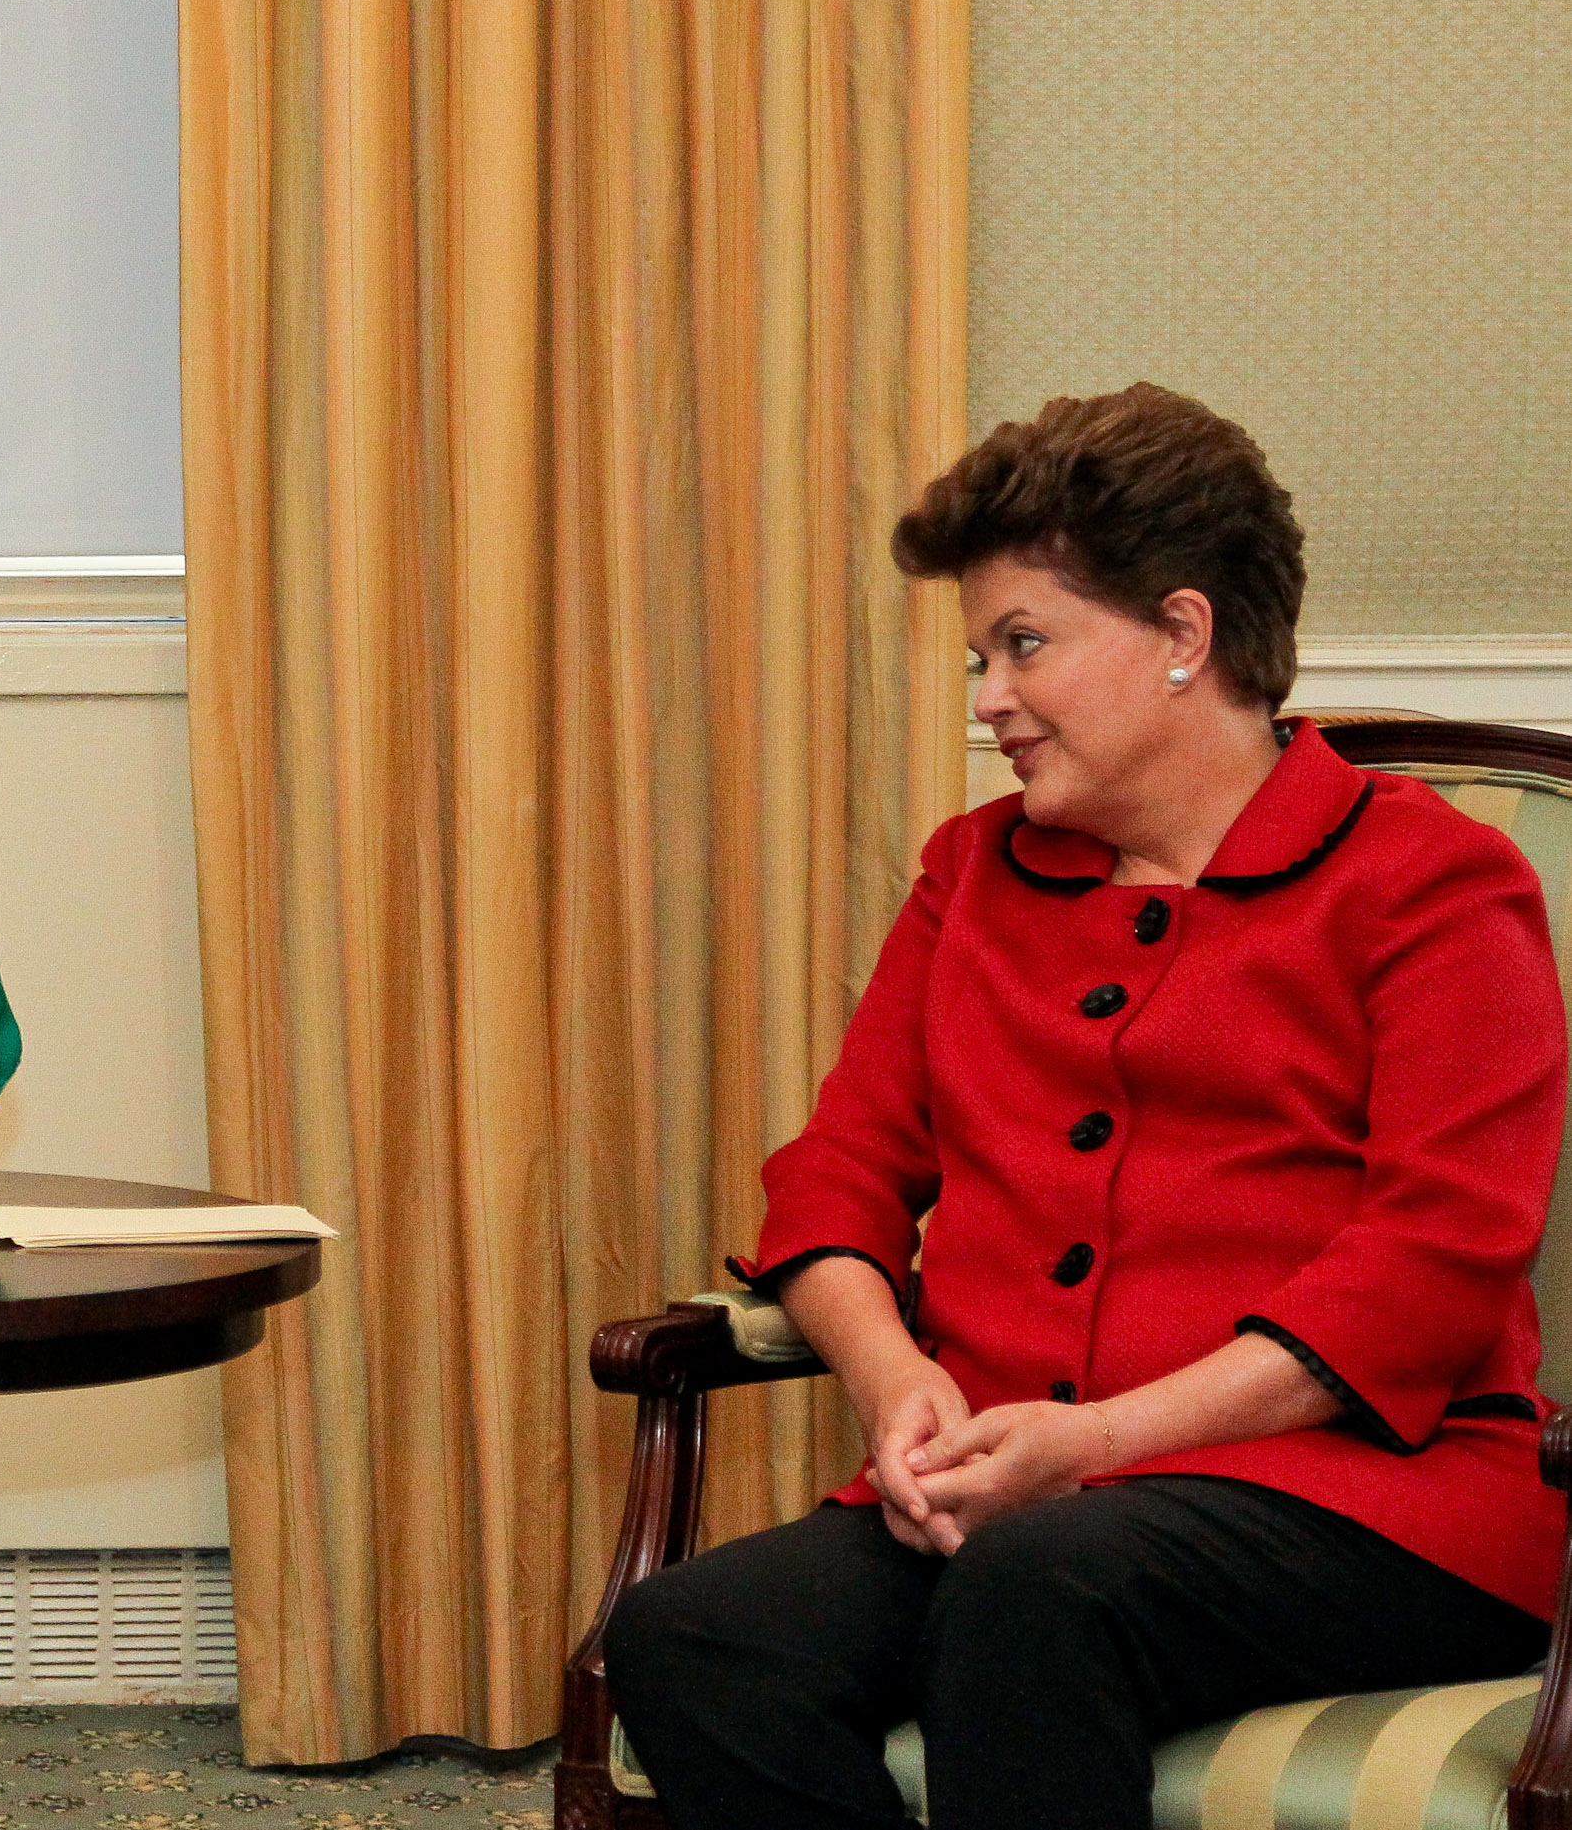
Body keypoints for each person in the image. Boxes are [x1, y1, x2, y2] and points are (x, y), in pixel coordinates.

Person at [605, 384, 1566, 1830]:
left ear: (1182, 635)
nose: (986, 695)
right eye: (981, 652)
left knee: (1040, 1588)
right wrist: (892, 1385)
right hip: (1016, 1492)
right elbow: (837, 1171)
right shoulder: (972, 872)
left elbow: (1427, 1266)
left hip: (1374, 1504)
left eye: (1023, 644)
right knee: (692, 1636)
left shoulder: (1427, 881)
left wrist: (1101, 1440)